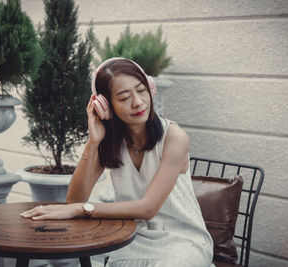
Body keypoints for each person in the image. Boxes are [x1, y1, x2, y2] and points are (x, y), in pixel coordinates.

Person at [20, 57, 214, 266]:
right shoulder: (111, 143)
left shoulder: (175, 137)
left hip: (182, 240)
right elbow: (75, 198)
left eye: (141, 90)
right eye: (123, 97)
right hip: (132, 240)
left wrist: (82, 210)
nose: (138, 102)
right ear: (106, 106)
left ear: (151, 89)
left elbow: (147, 209)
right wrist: (92, 141)